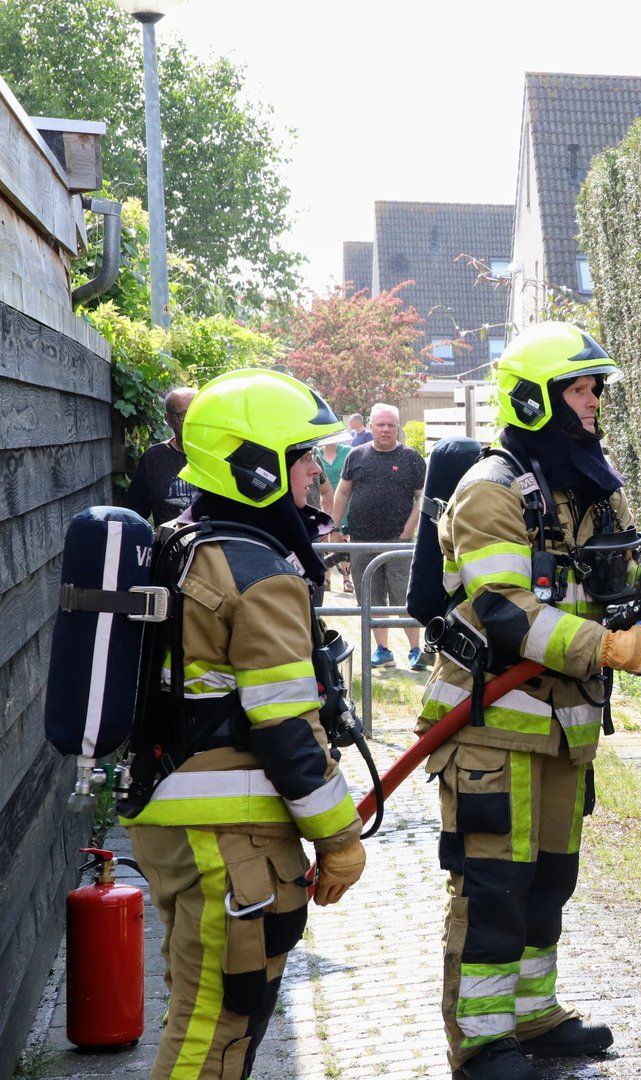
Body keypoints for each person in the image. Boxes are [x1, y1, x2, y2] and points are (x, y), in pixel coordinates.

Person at [416, 322, 641, 1080]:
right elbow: (507, 611)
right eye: (579, 390)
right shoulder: (490, 490)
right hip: (491, 728)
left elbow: (625, 581)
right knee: (493, 888)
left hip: (562, 732)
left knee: (550, 879)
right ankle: (481, 1044)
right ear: (535, 399)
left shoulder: (587, 489)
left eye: (594, 390)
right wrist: (609, 649)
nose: (593, 404)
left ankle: (532, 1016)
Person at [119, 368, 367, 1080]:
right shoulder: (259, 573)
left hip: (179, 822)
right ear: (256, 467)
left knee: (200, 1010)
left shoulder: (184, 543)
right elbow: (286, 728)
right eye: (302, 455)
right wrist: (341, 839)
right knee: (217, 1028)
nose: (318, 472)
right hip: (230, 842)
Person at [330, 404, 426, 668]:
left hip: (398, 543)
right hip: (362, 541)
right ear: (371, 426)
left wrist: (408, 530)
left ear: (398, 428)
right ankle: (382, 650)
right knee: (370, 598)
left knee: (403, 596)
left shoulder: (411, 458)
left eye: (390, 425)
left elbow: (422, 497)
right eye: (380, 425)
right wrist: (335, 529)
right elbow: (342, 492)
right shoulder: (356, 456)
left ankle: (415, 650)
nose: (385, 430)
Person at [123, 387, 198, 522]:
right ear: (168, 419)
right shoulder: (154, 458)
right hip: (170, 541)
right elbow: (134, 515)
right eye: (184, 415)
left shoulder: (221, 455)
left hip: (215, 541)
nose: (192, 421)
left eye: (198, 413)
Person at [318, 439, 353, 592]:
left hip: (343, 503)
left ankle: (347, 579)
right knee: (325, 540)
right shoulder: (316, 454)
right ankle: (326, 579)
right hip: (324, 502)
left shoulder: (347, 451)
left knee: (344, 540)